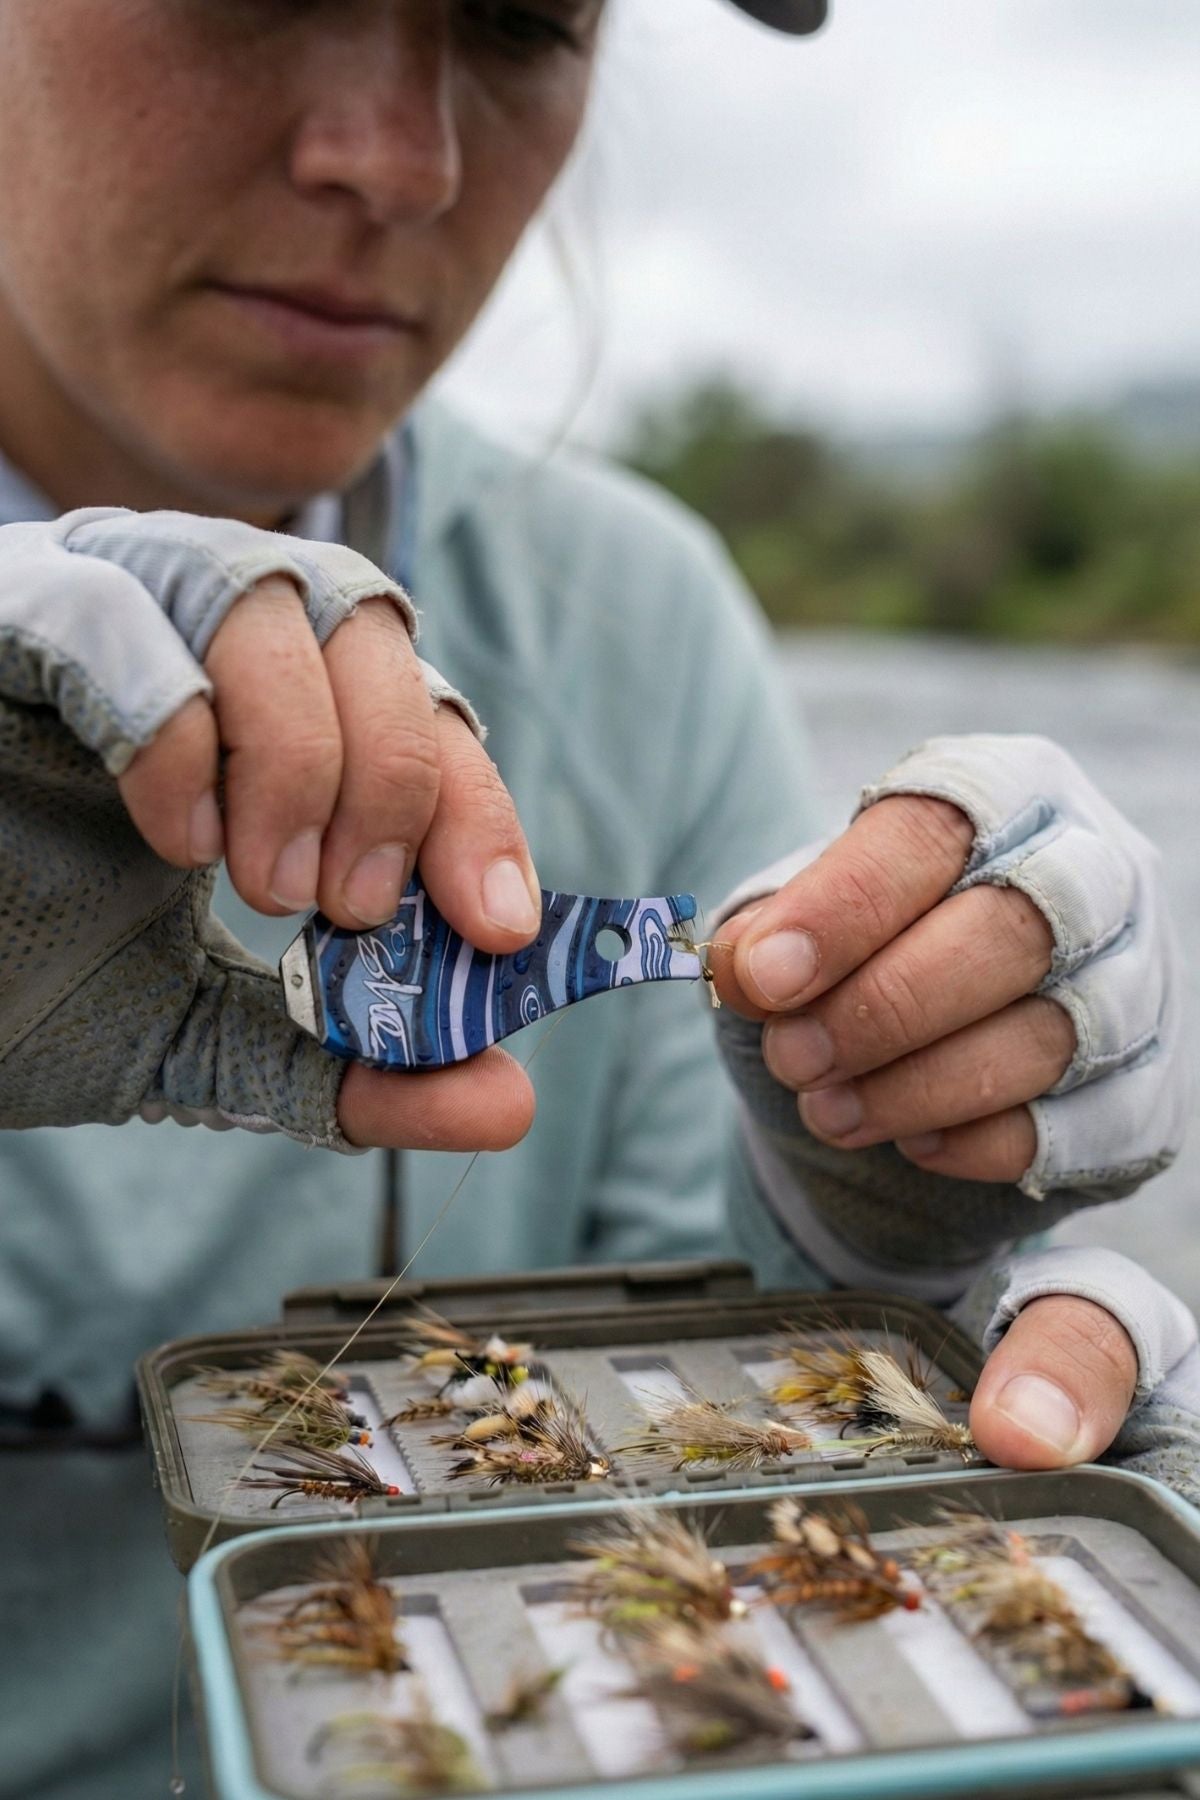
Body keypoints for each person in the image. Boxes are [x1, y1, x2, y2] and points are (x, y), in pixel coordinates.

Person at [0, 3, 1194, 1796]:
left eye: (524, 19)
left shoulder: (647, 629)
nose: (398, 157)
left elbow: (670, 1504)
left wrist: (877, 1250)